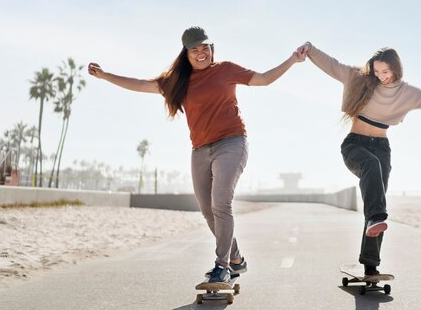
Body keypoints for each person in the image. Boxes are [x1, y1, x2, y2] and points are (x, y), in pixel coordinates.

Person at [88, 27, 305, 284]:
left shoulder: (225, 70)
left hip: (232, 143)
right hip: (200, 150)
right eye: (195, 49)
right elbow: (139, 84)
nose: (201, 53)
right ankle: (236, 259)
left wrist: (292, 59)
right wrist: (105, 76)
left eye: (205, 47)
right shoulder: (177, 81)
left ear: (212, 48)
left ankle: (222, 266)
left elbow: (264, 79)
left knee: (221, 203)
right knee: (207, 211)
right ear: (187, 53)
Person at [296, 42, 421, 275]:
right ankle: (377, 219)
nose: (380, 76)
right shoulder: (358, 79)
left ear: (396, 69)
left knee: (376, 201)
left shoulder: (408, 93)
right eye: (376, 71)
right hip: (355, 145)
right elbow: (332, 65)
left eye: (386, 71)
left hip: (382, 148)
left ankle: (370, 265)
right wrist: (310, 49)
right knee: (375, 200)